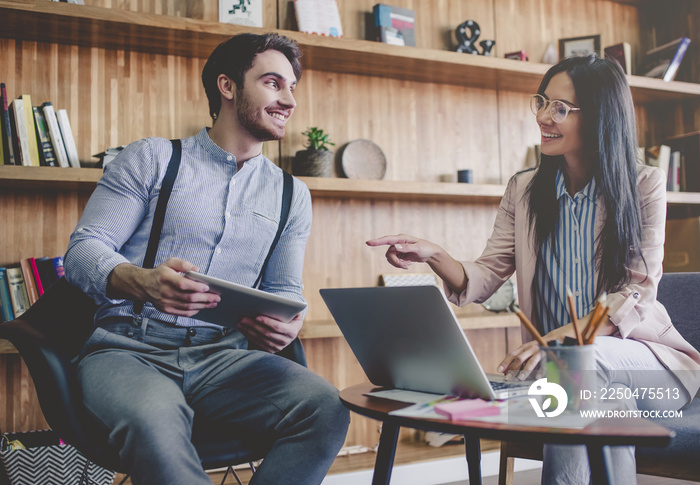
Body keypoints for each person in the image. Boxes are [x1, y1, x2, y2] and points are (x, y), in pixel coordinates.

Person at [367, 55, 700, 484]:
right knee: (603, 397)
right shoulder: (523, 190)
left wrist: (556, 343)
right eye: (542, 102)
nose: (544, 116)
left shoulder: (643, 185)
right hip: (572, 379)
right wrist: (435, 255)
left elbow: (636, 293)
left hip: (655, 368)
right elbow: (485, 276)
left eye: (561, 108)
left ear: (600, 116)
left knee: (577, 361)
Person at [64, 33, 349, 485]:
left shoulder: (292, 194)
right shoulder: (152, 158)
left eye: (293, 87)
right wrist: (143, 281)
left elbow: (284, 291)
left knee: (326, 408)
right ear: (228, 86)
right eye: (274, 83)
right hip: (128, 349)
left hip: (225, 356)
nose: (289, 100)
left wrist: (286, 323)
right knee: (155, 420)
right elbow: (82, 251)